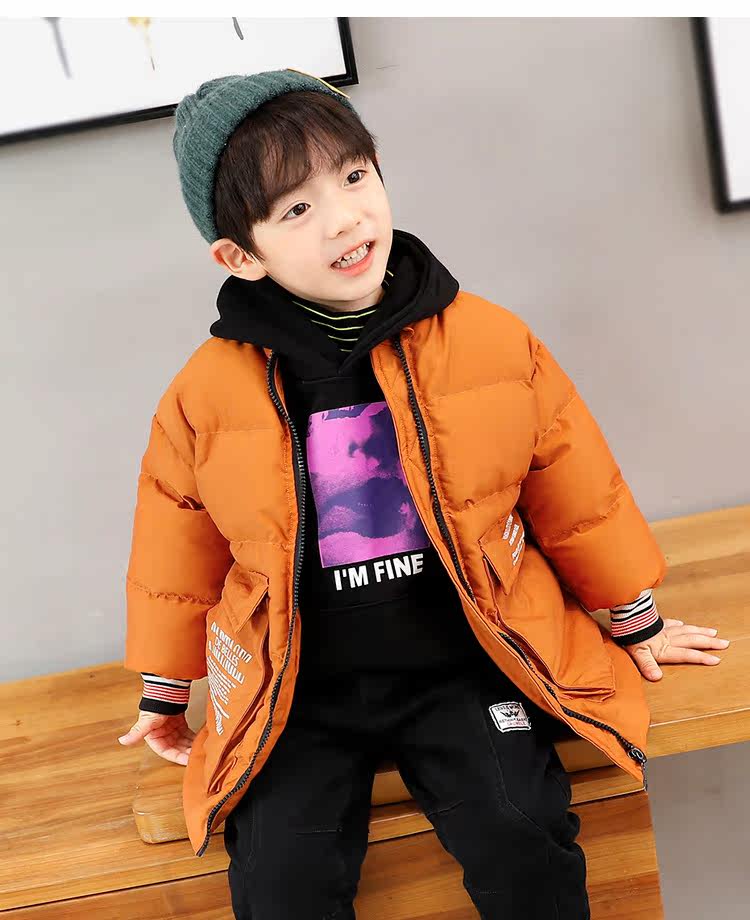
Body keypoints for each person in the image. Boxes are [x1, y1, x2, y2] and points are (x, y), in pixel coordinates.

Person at [117, 68, 729, 919]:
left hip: (463, 664)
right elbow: (174, 542)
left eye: (354, 176)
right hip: (298, 689)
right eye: (297, 209)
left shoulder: (488, 340)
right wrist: (166, 687)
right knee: (280, 876)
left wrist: (634, 614)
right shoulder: (206, 393)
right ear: (239, 256)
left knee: (523, 830)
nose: (344, 217)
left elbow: (574, 484)